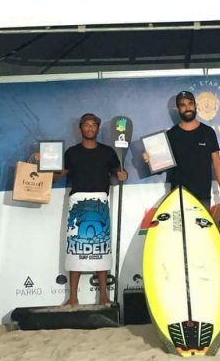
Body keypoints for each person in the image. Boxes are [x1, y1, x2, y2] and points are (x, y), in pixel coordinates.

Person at [53, 113, 128, 307]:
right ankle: (73, 297)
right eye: (86, 125)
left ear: (97, 129)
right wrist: (44, 164)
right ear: (80, 129)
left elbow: (119, 173)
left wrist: (123, 175)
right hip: (77, 203)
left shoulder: (108, 152)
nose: (89, 128)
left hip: (100, 203)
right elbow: (58, 176)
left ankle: (103, 296)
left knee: (101, 249)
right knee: (75, 249)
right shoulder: (71, 152)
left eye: (93, 125)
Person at [144, 91, 220, 209]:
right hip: (177, 198)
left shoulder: (208, 132)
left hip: (202, 197)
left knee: (202, 228)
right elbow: (161, 167)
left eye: (190, 104)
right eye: (183, 105)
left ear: (195, 105)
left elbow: (217, 162)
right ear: (178, 109)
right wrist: (150, 160)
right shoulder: (170, 135)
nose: (187, 108)